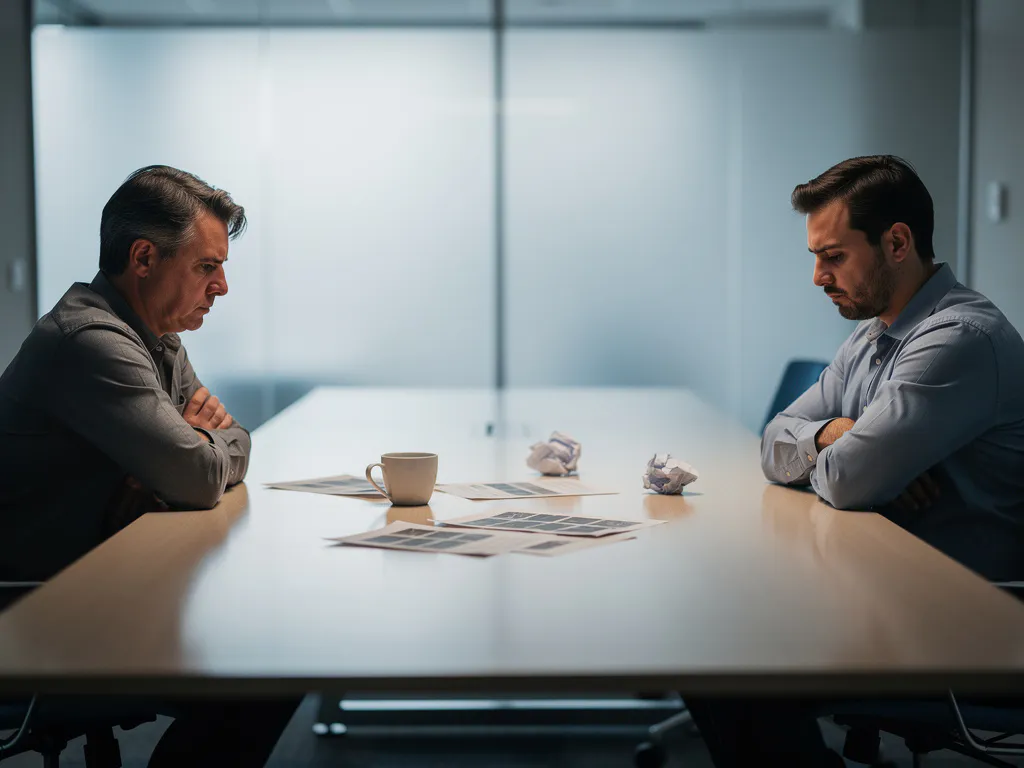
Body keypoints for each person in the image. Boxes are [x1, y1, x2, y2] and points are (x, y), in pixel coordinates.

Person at [689, 155, 1024, 767]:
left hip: (961, 624)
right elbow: (772, 441)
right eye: (816, 257)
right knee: (710, 641)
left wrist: (850, 459)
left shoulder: (958, 340)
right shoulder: (872, 337)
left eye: (834, 255)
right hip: (883, 594)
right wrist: (834, 435)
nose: (818, 276)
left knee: (734, 662)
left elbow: (847, 481)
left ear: (897, 242)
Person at [0, 165, 298, 766]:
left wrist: (212, 441)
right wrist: (196, 449)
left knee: (270, 655)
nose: (222, 288)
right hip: (40, 613)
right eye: (206, 267)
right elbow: (196, 474)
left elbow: (218, 443)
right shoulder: (91, 341)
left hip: (102, 582)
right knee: (266, 672)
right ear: (143, 258)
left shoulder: (155, 336)